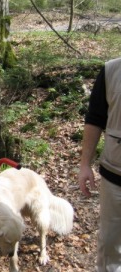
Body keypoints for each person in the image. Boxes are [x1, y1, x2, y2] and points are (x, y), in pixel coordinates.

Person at [77, 57, 121, 272]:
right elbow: (95, 118)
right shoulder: (112, 70)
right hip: (115, 175)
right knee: (111, 248)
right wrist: (85, 164)